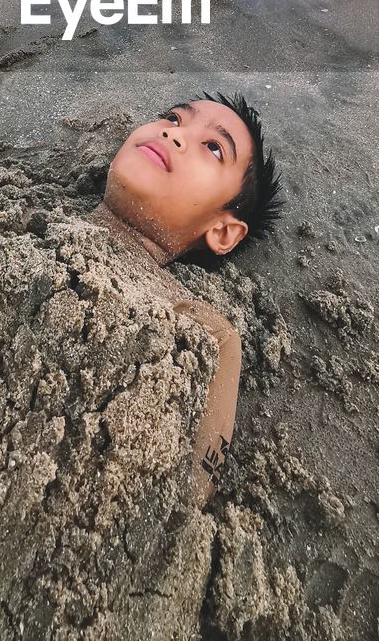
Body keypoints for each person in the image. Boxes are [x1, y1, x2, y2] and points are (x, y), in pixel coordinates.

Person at [90, 92, 282, 504]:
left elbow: (184, 497)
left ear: (223, 231)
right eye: (173, 119)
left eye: (213, 148)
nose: (173, 135)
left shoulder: (203, 332)